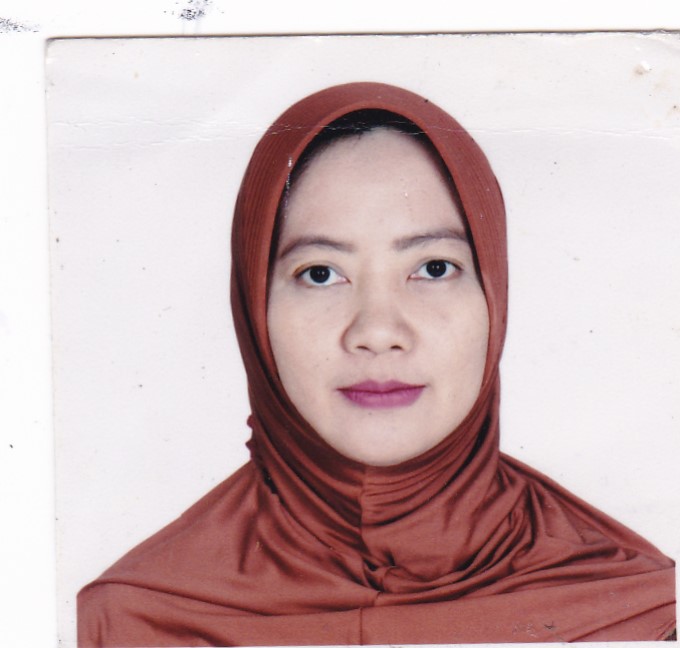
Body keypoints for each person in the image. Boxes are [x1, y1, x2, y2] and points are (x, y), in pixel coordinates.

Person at [77, 82, 676, 646]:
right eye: (320, 274)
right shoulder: (126, 624)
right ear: (253, 307)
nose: (378, 332)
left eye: (434, 268)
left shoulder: (645, 614)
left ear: (494, 294)